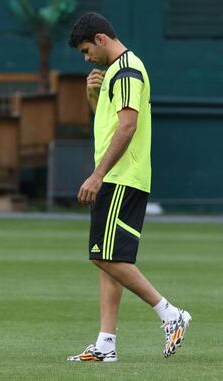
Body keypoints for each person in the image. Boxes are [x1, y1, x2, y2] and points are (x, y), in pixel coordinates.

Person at [66, 12, 191, 362]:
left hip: (121, 177)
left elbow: (127, 128)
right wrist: (94, 96)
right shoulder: (115, 74)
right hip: (119, 176)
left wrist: (97, 175)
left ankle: (170, 313)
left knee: (104, 256)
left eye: (87, 49)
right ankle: (106, 345)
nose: (86, 57)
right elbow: (109, 124)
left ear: (102, 39)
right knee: (110, 259)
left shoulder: (126, 71)